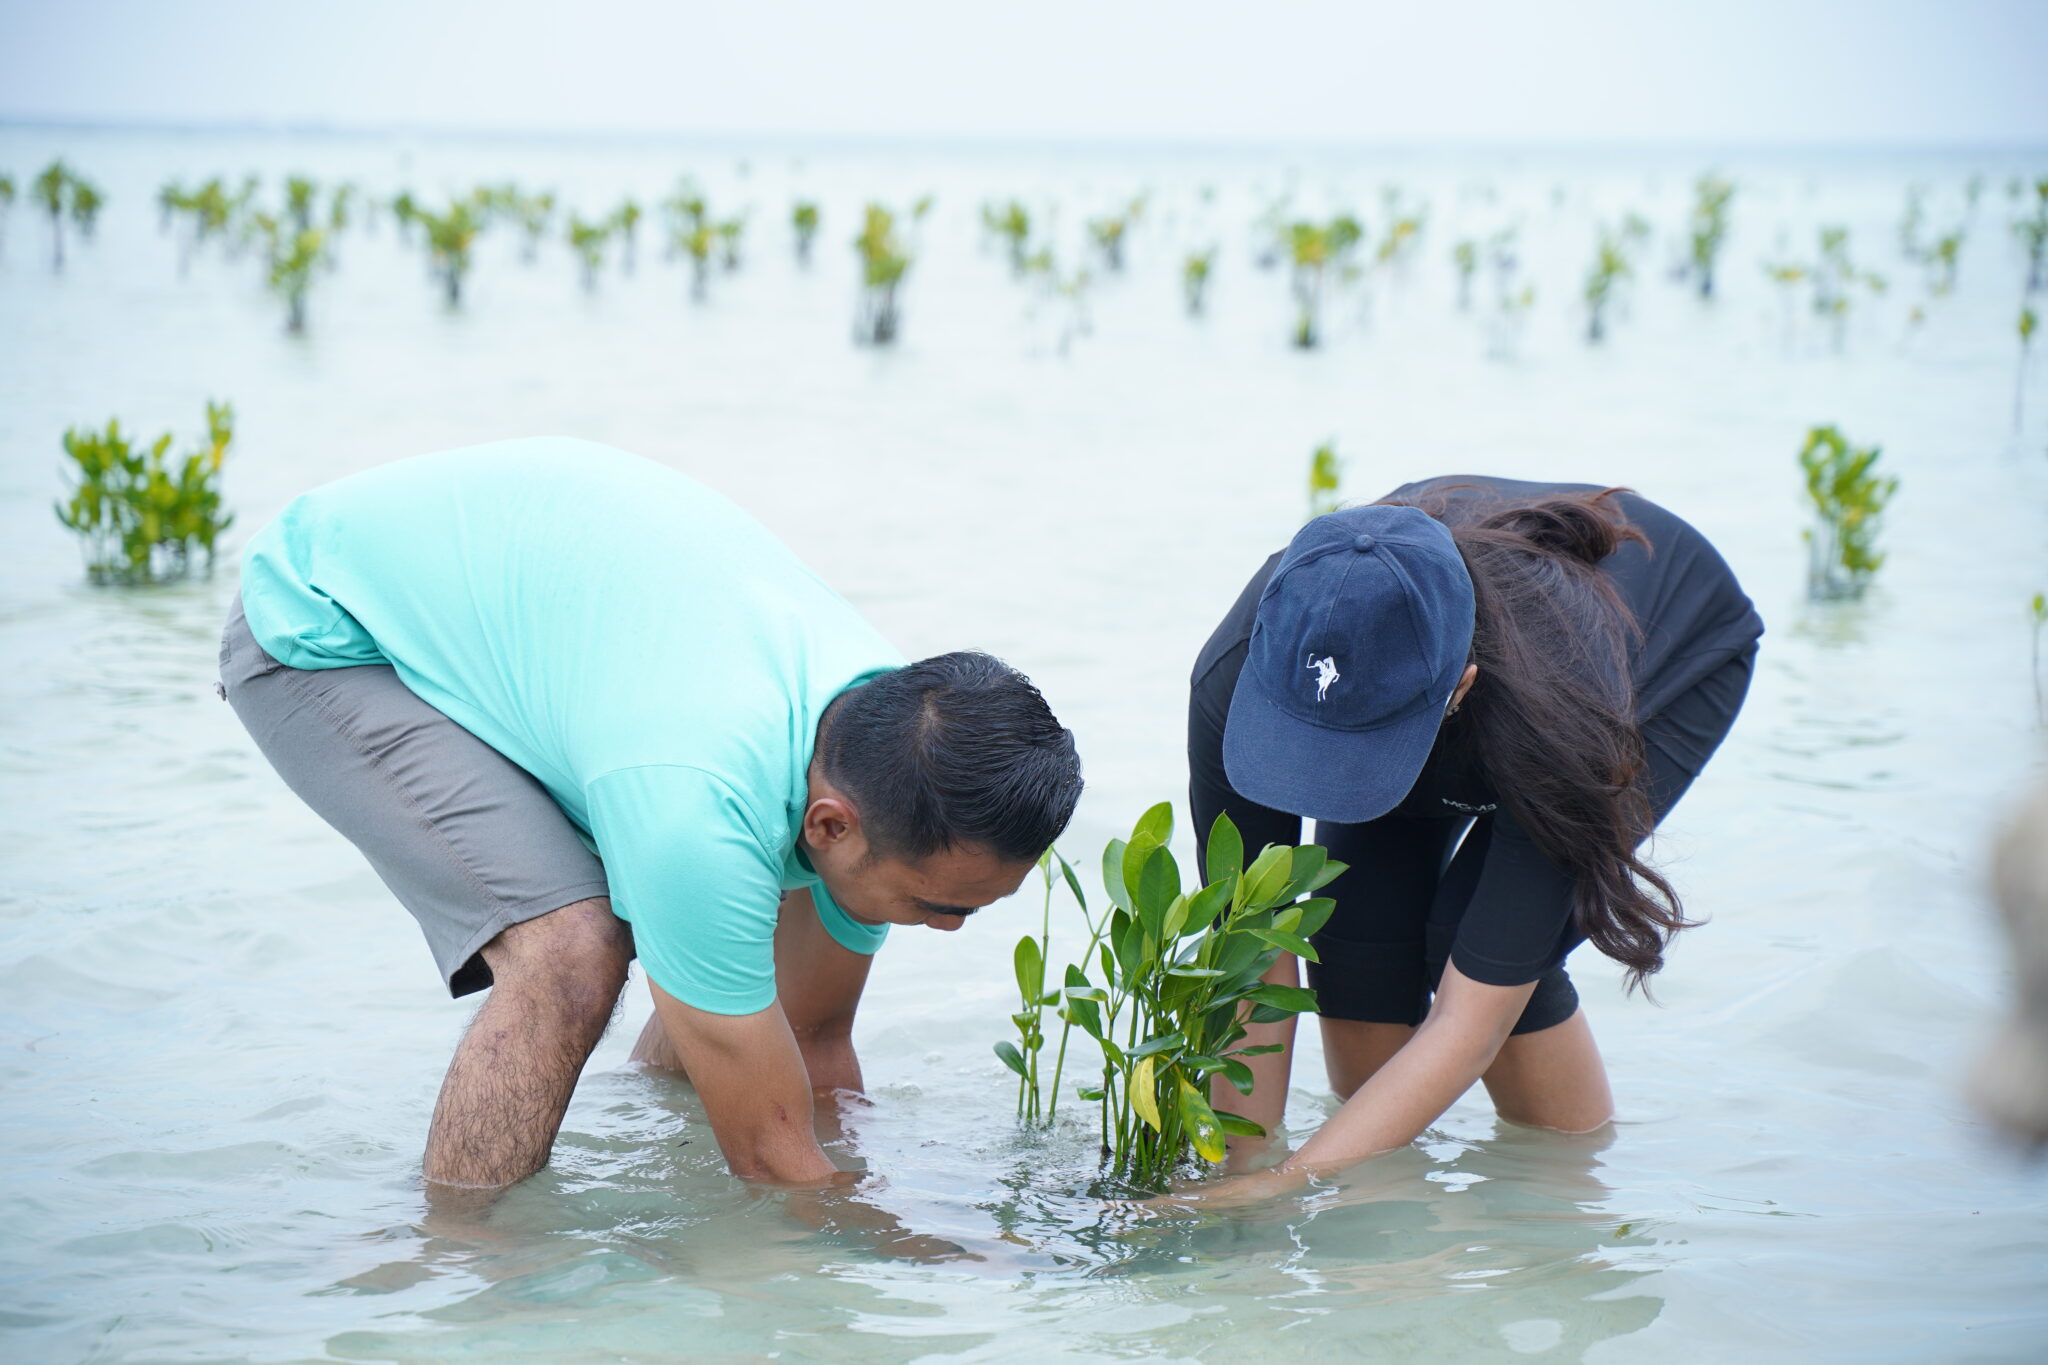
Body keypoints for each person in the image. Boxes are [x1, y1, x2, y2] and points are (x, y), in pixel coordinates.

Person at [219, 437, 1082, 1195]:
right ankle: (464, 1261)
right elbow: (774, 1162)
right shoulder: (698, 803)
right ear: (829, 825)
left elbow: (813, 1046)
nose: (949, 931)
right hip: (326, 627)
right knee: (573, 952)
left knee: (721, 971)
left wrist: (878, 1180)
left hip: (546, 621)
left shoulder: (892, 746)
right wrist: (937, 1256)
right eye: (942, 907)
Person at [1180, 475, 1762, 1202]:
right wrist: (1237, 1175)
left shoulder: (1566, 701)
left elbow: (1470, 1021)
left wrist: (1279, 1187)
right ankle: (1385, 1227)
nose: (1333, 782)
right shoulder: (1234, 675)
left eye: (1357, 755)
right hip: (1423, 664)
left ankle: (1557, 1214)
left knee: (1472, 941)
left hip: (1654, 658)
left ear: (1461, 687)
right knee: (1353, 944)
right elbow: (1251, 952)